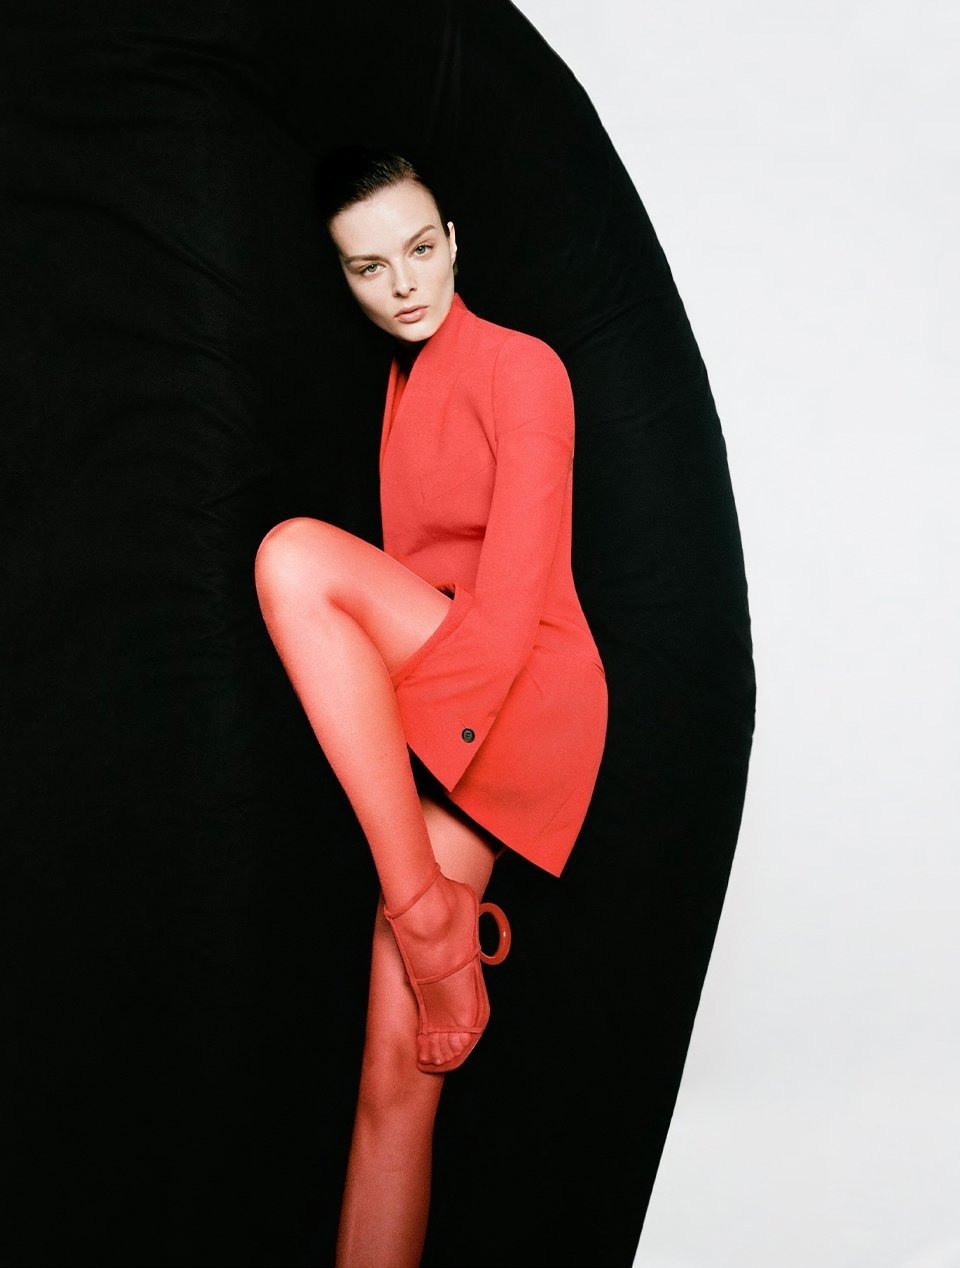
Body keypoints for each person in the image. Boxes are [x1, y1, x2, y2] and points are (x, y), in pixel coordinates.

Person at [253, 145, 608, 1267]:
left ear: (453, 240)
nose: (404, 283)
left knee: (293, 557)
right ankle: (432, 925)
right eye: (370, 267)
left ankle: (427, 915)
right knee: (397, 1072)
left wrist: (403, 738)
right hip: (456, 693)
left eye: (418, 248)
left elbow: (510, 605)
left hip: (528, 687)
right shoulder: (401, 388)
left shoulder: (523, 366)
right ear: (344, 278)